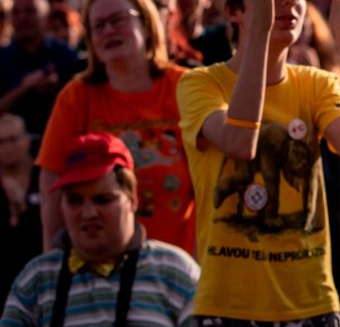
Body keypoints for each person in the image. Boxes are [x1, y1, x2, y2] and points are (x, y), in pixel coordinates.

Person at [176, 0, 340, 325]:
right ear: (234, 10)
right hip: (228, 305)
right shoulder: (200, 84)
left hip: (311, 304)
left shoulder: (316, 84)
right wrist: (259, 38)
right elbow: (240, 142)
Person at [36, 0, 196, 255]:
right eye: (98, 26)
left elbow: (213, 182)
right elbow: (51, 187)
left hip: (181, 267)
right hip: (100, 272)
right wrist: (53, 262)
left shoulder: (187, 87)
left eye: (117, 20)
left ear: (146, 24)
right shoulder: (76, 97)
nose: (108, 30)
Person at [2, 132, 199, 326]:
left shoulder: (176, 271)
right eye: (75, 201)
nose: (88, 213)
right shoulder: (36, 279)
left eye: (103, 200)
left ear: (132, 200)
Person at [0, 0, 79, 139]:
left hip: (61, 140)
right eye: (16, 12)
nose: (22, 18)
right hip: (13, 151)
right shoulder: (2, 58)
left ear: (46, 17)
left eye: (30, 11)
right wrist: (23, 87)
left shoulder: (64, 54)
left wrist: (58, 88)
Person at [1, 114, 42, 298]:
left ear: (27, 140)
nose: (8, 147)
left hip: (43, 270)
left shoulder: (46, 177)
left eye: (13, 139)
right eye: (1, 142)